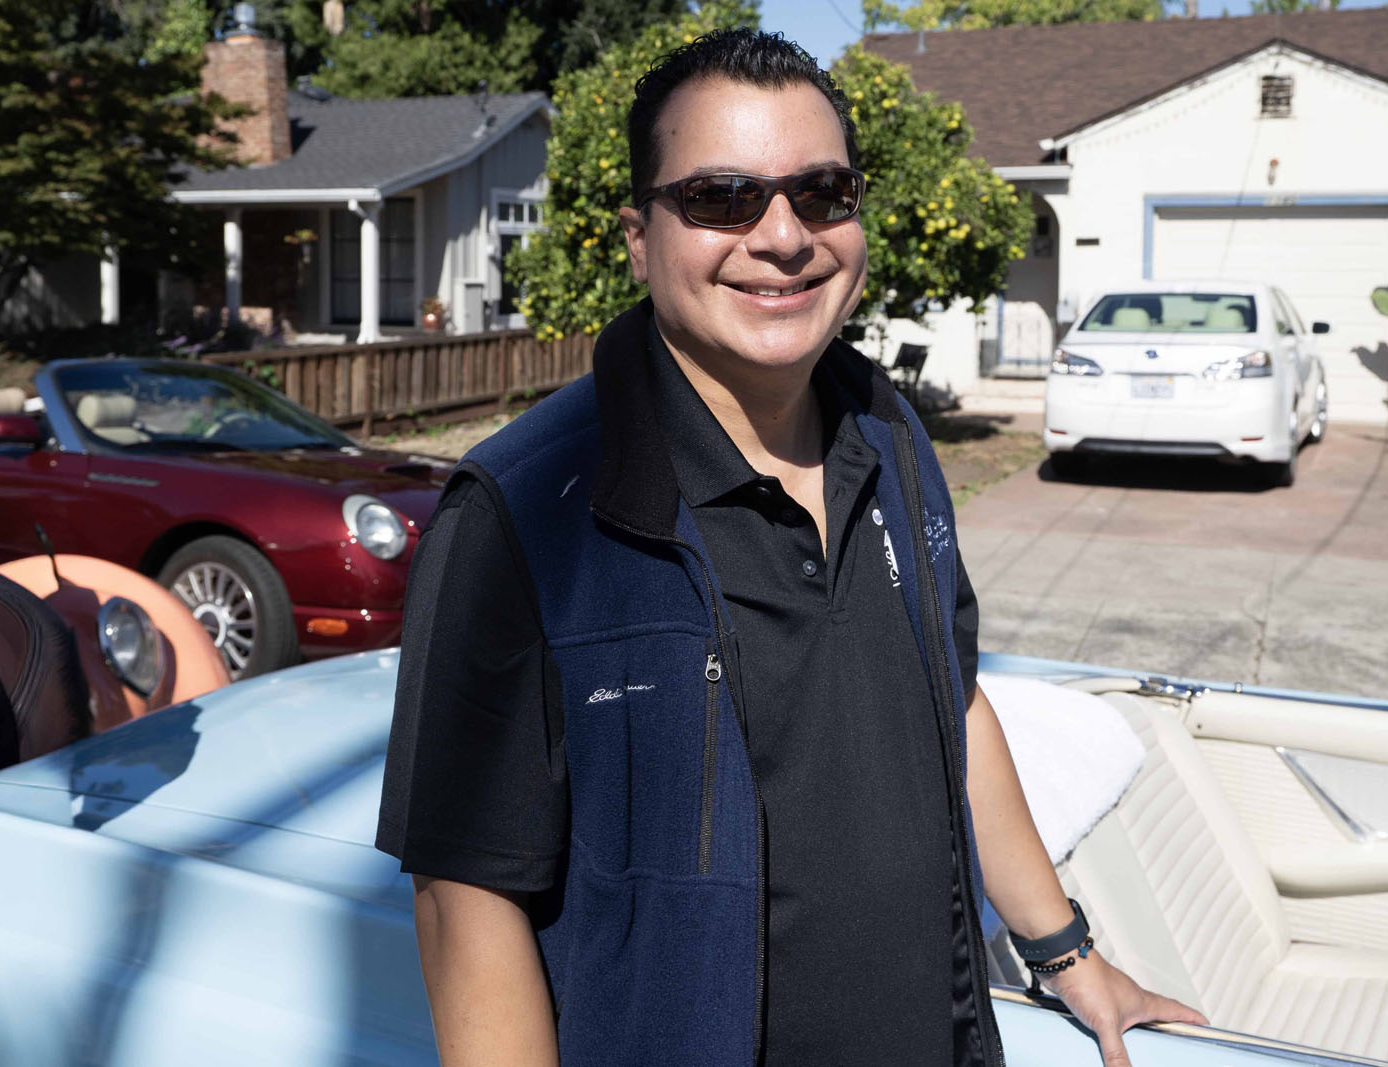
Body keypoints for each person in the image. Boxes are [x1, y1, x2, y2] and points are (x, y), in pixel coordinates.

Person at [375, 28, 1205, 1067]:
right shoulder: (525, 509)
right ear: (638, 238)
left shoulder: (891, 439)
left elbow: (954, 704)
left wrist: (1067, 952)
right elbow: (465, 892)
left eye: (821, 193)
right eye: (722, 197)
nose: (782, 236)